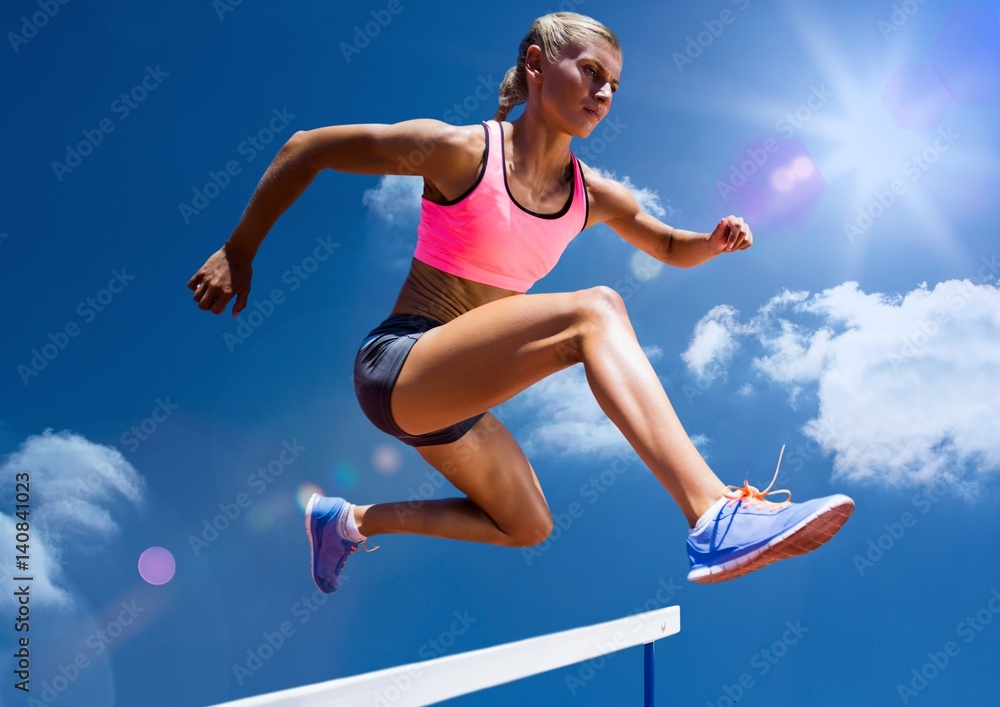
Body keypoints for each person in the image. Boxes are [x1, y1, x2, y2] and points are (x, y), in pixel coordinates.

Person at [188, 12, 853, 591]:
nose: (604, 93)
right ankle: (714, 514)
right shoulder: (461, 152)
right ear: (535, 65)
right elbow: (309, 149)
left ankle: (350, 521)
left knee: (526, 524)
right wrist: (237, 251)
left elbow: (668, 244)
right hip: (400, 361)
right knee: (595, 310)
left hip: (453, 400)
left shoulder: (595, 195)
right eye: (591, 72)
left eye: (614, 85)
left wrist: (710, 242)